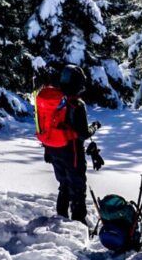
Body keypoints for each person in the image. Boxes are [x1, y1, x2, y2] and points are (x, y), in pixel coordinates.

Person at [38, 64, 101, 225]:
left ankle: (61, 219)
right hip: (71, 150)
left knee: (64, 183)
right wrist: (95, 126)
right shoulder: (76, 104)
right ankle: (79, 222)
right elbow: (83, 133)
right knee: (77, 186)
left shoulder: (57, 101)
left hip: (53, 149)